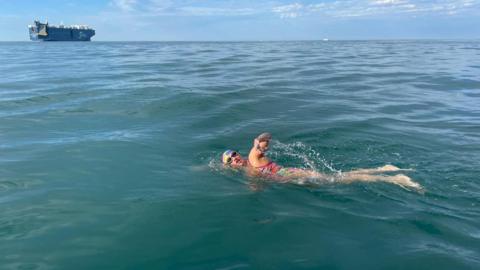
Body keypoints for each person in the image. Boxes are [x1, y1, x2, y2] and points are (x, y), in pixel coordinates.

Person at [221, 132, 422, 190]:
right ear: (229, 166)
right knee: (336, 178)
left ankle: (394, 179)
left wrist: (259, 143)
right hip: (288, 178)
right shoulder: (246, 170)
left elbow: (260, 142)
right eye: (230, 160)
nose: (234, 159)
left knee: (337, 180)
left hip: (288, 174)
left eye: (234, 154)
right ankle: (382, 169)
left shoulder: (252, 158)